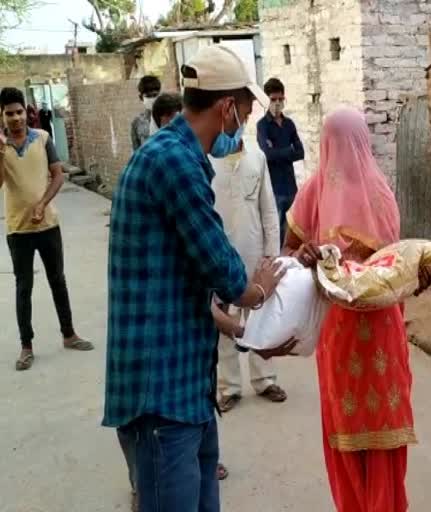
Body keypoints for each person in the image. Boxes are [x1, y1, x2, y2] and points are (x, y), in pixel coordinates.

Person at [104, 45, 295, 512]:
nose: (244, 126)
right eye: (245, 113)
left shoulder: (174, 152)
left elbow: (180, 281)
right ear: (227, 107)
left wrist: (244, 330)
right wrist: (262, 290)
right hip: (160, 394)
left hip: (187, 390)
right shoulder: (174, 163)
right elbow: (224, 270)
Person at [283, 107, 431, 512]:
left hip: (362, 330)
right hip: (346, 331)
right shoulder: (318, 191)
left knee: (375, 430)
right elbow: (288, 252)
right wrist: (304, 253)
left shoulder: (374, 192)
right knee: (352, 429)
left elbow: (399, 265)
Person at [0, 87, 92, 372]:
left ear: (25, 112)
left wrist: (42, 204)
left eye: (18, 112)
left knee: (57, 280)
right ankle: (26, 346)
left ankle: (69, 334)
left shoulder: (42, 138)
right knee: (23, 287)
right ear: (1, 116)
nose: (15, 118)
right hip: (18, 229)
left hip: (48, 224)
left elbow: (57, 175)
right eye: (8, 113)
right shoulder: (1, 148)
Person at [211, 125, 288, 411]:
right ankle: (229, 386)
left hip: (256, 254)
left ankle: (265, 379)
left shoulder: (257, 157)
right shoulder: (206, 159)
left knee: (261, 317)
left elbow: (269, 209)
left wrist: (271, 253)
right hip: (220, 255)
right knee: (223, 321)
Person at [257, 77, 304, 244]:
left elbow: (300, 152)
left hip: (291, 186)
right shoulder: (262, 126)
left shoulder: (289, 124)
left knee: (294, 229)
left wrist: (279, 152)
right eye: (273, 99)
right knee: (276, 232)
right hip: (274, 188)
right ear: (266, 100)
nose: (277, 103)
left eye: (280, 99)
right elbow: (267, 154)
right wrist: (288, 151)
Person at [130, 75, 161, 151]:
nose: (152, 99)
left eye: (155, 95)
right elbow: (136, 152)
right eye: (148, 96)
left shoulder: (169, 118)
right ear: (141, 98)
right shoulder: (137, 122)